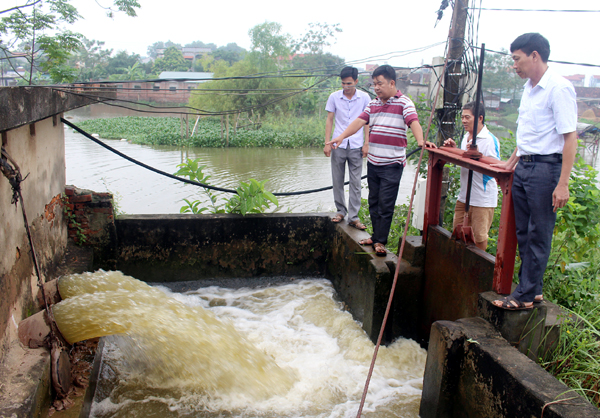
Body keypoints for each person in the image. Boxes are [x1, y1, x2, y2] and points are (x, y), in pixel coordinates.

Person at [491, 33, 577, 310]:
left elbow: (569, 138)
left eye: (517, 59)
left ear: (535, 56)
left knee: (539, 233)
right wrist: (510, 162)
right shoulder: (529, 88)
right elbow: (527, 134)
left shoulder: (558, 88)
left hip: (545, 169)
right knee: (524, 233)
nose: (514, 65)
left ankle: (524, 296)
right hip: (525, 166)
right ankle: (534, 290)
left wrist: (562, 184)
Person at [326, 64, 436, 256]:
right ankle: (375, 237)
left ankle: (380, 242)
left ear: (392, 83)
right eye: (374, 83)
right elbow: (359, 122)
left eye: (380, 83)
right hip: (374, 163)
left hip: (392, 165)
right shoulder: (373, 104)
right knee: (374, 202)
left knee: (386, 203)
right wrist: (341, 136)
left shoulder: (404, 103)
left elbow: (413, 121)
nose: (376, 87)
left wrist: (421, 141)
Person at [443, 102, 501, 251]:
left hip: (482, 198)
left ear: (480, 118)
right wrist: (454, 150)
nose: (463, 121)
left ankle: (478, 269)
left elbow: (496, 167)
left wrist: (479, 156)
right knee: (458, 231)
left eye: (467, 117)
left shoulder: (489, 139)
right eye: (462, 117)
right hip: (464, 195)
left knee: (479, 237)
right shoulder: (466, 137)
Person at [324, 66, 372, 230]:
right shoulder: (334, 97)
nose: (346, 86)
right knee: (337, 179)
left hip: (357, 145)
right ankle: (340, 211)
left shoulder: (365, 98)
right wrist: (327, 143)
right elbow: (330, 120)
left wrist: (367, 143)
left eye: (349, 83)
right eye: (343, 83)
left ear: (356, 81)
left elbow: (367, 122)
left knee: (355, 182)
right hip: (338, 144)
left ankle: (353, 217)